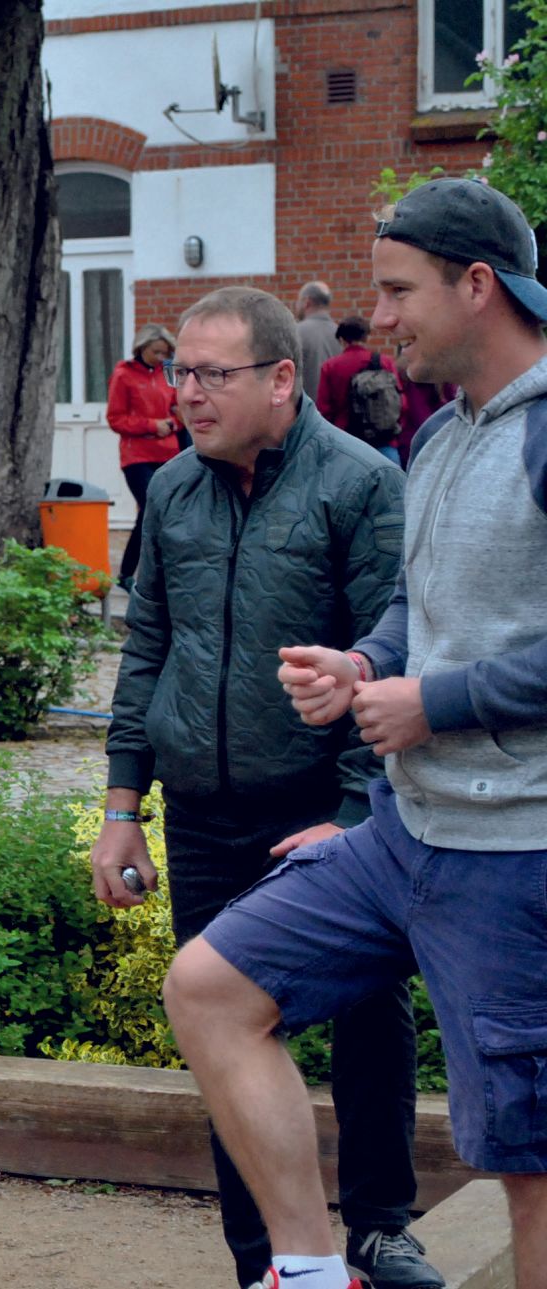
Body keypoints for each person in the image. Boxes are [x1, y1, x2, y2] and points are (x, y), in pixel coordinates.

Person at [165, 177, 547, 1289]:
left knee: (528, 1158)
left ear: (478, 286)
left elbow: (465, 667)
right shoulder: (437, 440)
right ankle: (311, 1270)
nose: (375, 318)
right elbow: (418, 608)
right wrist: (372, 661)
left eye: (396, 290)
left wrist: (438, 702)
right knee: (211, 990)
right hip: (402, 833)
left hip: (515, 848)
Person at [92, 286, 435, 1289]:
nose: (183, 395)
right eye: (178, 373)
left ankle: (380, 1227)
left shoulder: (362, 484)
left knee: (371, 1016)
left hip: (322, 809)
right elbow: (147, 648)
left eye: (211, 375)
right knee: (224, 1032)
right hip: (202, 812)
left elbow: (394, 649)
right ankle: (267, 1257)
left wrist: (351, 811)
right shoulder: (171, 492)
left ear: (283, 379)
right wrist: (123, 808)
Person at [104, 322, 183, 593]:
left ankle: (140, 574)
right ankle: (130, 573)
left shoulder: (167, 374)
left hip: (169, 453)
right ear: (142, 347)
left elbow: (178, 409)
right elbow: (116, 418)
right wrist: (151, 425)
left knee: (163, 513)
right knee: (152, 507)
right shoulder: (123, 375)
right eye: (156, 352)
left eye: (165, 353)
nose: (161, 358)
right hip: (137, 456)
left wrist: (172, 422)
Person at [314, 316, 403, 461]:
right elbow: (401, 403)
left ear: (342, 339)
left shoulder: (331, 366)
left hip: (346, 444)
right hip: (383, 441)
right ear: (366, 337)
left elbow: (325, 410)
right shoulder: (384, 362)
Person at [295, 280, 343, 400]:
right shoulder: (341, 334)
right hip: (334, 414)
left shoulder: (296, 332)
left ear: (307, 302)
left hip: (305, 412)